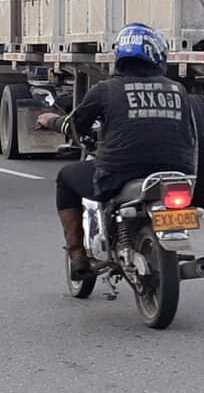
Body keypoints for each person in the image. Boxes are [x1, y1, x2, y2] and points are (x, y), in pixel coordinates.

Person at [37, 23, 196, 279]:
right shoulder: (179, 90)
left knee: (66, 177)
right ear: (156, 55)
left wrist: (49, 120)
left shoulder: (106, 89)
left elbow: (75, 126)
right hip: (177, 173)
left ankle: (77, 254)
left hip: (119, 173)